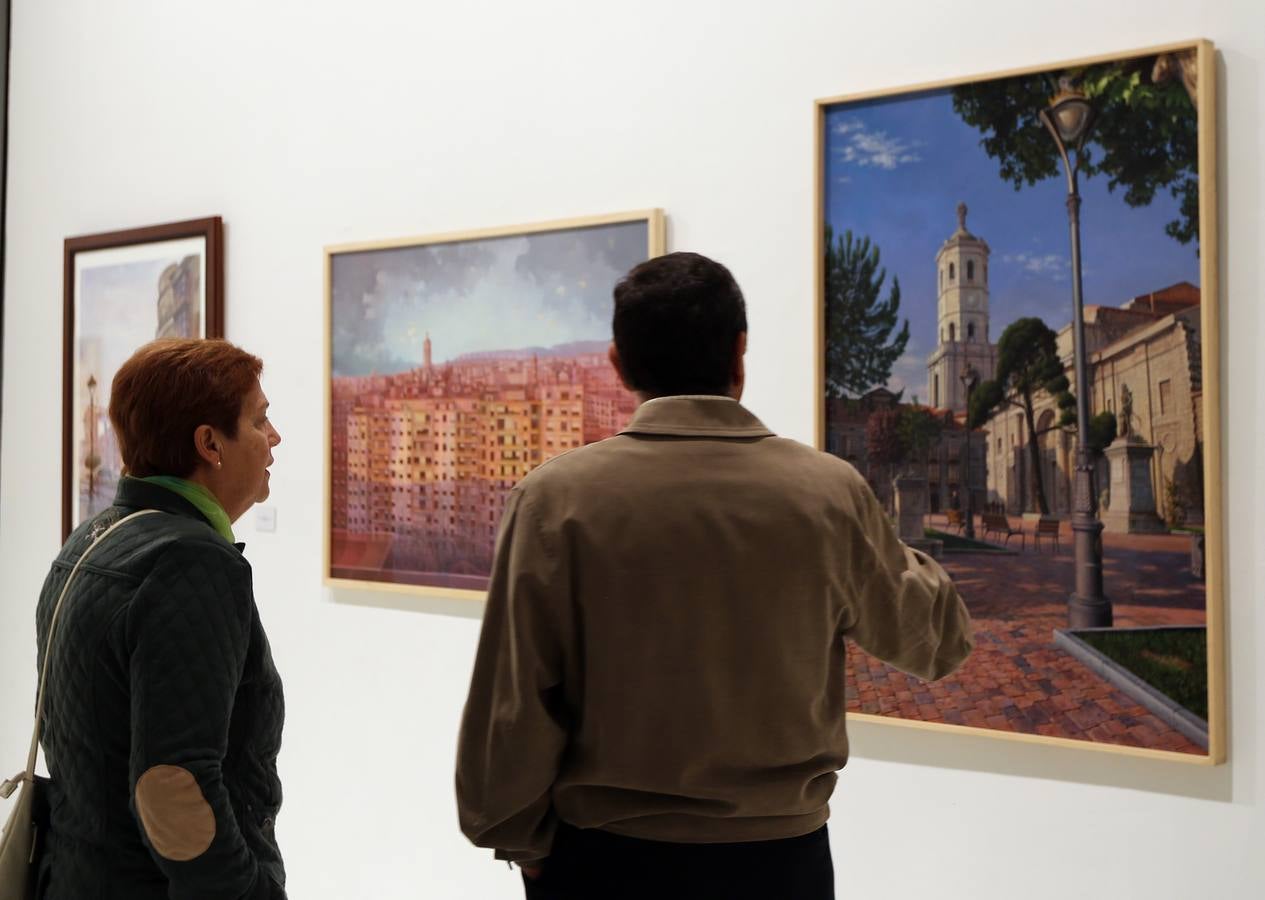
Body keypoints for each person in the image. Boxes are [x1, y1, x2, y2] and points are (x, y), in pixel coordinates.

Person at [456, 252, 974, 899]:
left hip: (603, 862)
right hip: (779, 865)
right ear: (739, 354)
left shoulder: (553, 499)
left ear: (618, 365)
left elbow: (513, 701)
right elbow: (937, 640)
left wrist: (524, 845)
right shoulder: (825, 493)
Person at [34, 339, 286, 899]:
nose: (274, 439)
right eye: (260, 420)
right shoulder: (191, 563)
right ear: (209, 443)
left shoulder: (90, 542)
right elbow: (173, 789)